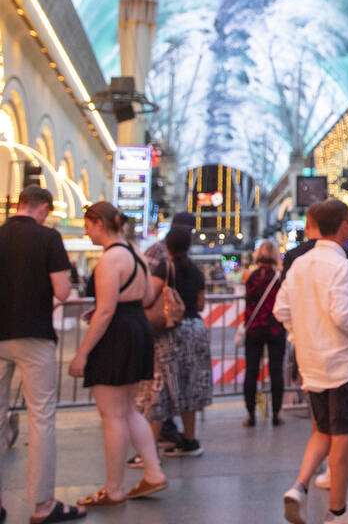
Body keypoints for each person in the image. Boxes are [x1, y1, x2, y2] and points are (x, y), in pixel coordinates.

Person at [276, 199, 348, 524]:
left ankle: (299, 486)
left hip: (311, 363)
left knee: (322, 431)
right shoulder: (340, 265)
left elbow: (281, 309)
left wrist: (299, 335)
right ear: (343, 224)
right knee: (343, 435)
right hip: (341, 363)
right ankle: (338, 511)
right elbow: (342, 314)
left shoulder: (299, 264)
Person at [68, 202, 166, 508]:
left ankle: (114, 489)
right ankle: (153, 472)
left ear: (99, 223)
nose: (86, 231)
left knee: (112, 415)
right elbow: (149, 296)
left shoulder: (111, 259)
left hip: (116, 335)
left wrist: (81, 354)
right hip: (137, 329)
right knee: (127, 410)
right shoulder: (137, 254)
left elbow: (107, 309)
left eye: (87, 225)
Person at [0, 186, 85, 523]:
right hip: (34, 335)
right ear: (43, 208)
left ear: (19, 205)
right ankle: (43, 505)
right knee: (41, 418)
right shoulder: (48, 239)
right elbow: (63, 291)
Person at [137, 226, 212, 458]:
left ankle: (148, 452)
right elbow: (200, 305)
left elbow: (149, 297)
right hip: (195, 330)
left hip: (170, 332)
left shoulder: (164, 267)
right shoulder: (197, 271)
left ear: (167, 245)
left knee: (159, 386)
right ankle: (189, 441)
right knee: (191, 383)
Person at [140, 212, 194, 449]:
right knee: (170, 381)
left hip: (164, 328)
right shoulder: (166, 257)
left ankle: (158, 436)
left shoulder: (164, 259)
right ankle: (173, 433)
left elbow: (147, 293)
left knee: (163, 382)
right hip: (172, 327)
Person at [243, 239, 287, 427]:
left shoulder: (249, 276)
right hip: (275, 327)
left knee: (251, 371)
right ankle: (276, 413)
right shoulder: (279, 278)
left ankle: (251, 414)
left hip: (253, 328)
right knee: (276, 370)